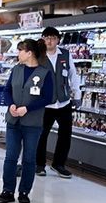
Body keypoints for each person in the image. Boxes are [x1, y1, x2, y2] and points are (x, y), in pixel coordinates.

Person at [0, 39, 53, 203]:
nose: (18, 53)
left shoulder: (44, 73)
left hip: (32, 123)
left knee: (29, 159)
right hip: (13, 121)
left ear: (29, 53)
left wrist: (27, 108)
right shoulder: (16, 69)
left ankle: (24, 192)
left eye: (20, 50)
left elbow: (47, 97)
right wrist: (11, 104)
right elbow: (7, 90)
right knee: (10, 157)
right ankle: (7, 190)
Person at [35, 26, 82, 178]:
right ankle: (39, 164)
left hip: (63, 102)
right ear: (43, 39)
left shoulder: (65, 55)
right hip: (44, 103)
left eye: (53, 38)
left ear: (58, 40)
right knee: (41, 135)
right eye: (47, 38)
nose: (49, 41)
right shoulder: (38, 55)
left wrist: (77, 94)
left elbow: (73, 75)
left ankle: (59, 164)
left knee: (65, 135)